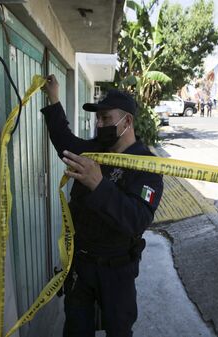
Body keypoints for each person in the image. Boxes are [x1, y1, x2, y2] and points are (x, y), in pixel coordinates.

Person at [41, 75, 163, 337]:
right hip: (82, 265)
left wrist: (99, 184)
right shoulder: (96, 150)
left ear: (126, 121)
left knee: (118, 330)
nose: (99, 124)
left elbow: (137, 219)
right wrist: (53, 99)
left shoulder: (147, 166)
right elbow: (64, 142)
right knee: (75, 329)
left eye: (106, 118)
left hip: (117, 270)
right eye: (98, 118)